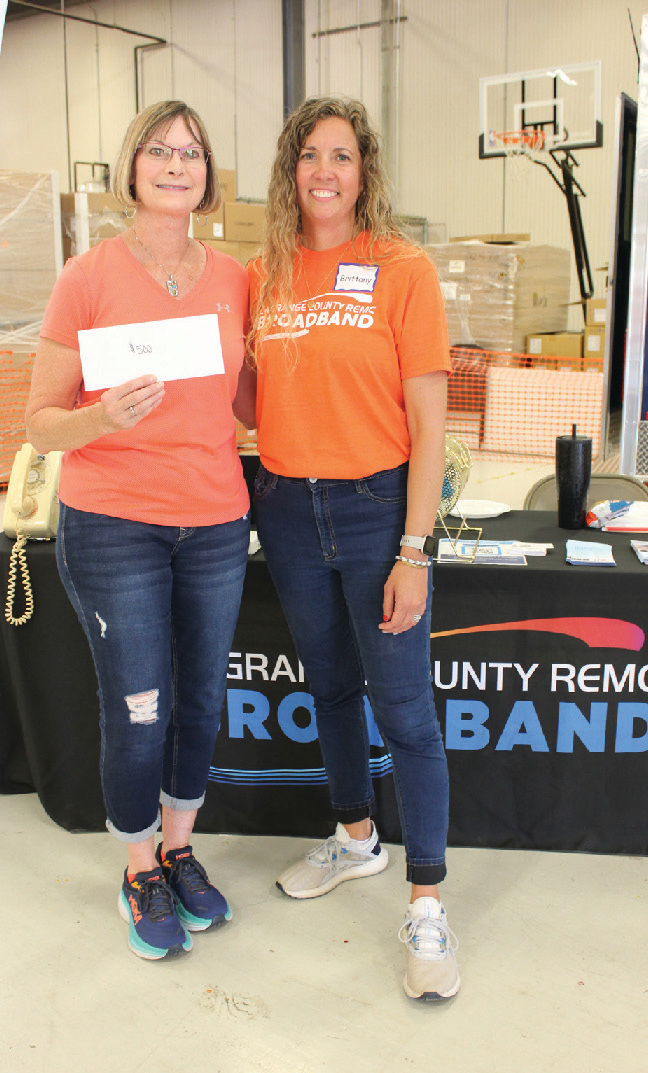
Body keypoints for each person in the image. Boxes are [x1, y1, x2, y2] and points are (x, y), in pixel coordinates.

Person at [25, 100, 255, 961]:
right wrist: (100, 416)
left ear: (207, 175)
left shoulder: (235, 279)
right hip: (114, 522)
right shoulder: (86, 277)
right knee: (140, 704)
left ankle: (180, 845)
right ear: (131, 169)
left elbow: (246, 400)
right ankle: (136, 864)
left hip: (216, 522)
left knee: (199, 697)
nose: (174, 163)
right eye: (158, 149)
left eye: (191, 152)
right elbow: (40, 422)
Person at [248, 97, 459, 1000]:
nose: (324, 171)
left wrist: (416, 548)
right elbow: (242, 396)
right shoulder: (263, 273)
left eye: (341, 155)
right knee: (330, 685)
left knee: (404, 709)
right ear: (290, 171)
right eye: (309, 155)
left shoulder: (402, 268)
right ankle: (357, 838)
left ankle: (427, 899)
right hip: (287, 507)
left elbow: (428, 420)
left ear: (364, 171)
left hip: (379, 512)